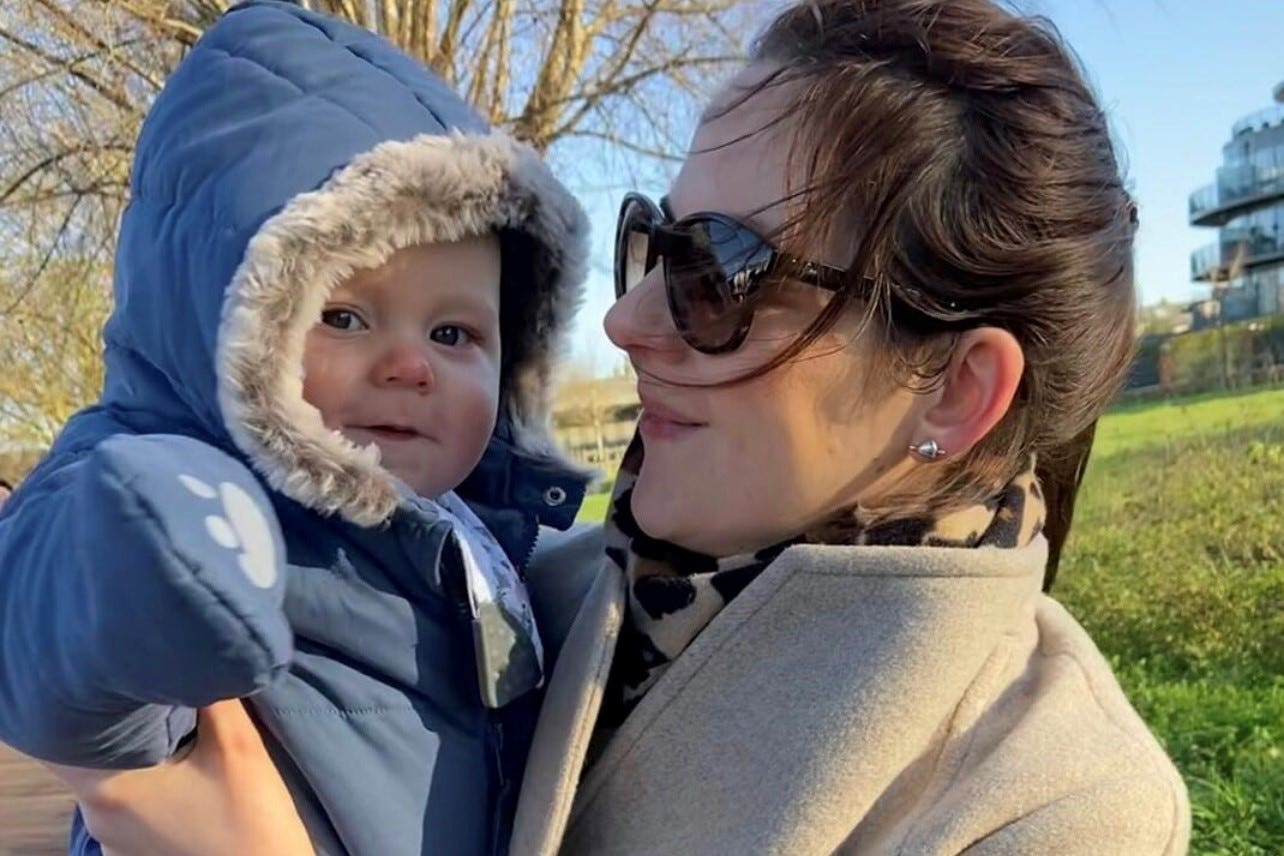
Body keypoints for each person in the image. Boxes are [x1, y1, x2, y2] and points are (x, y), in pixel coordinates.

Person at [42, 0, 1193, 854]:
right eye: (658, 237)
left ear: (954, 391)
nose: (628, 318)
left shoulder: (1055, 803)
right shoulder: (508, 594)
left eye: (719, 275)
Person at [0, 1, 589, 854]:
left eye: (454, 334)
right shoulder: (177, 484)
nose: (411, 365)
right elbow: (35, 622)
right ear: (224, 326)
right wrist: (150, 559)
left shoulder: (479, 535)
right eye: (346, 317)